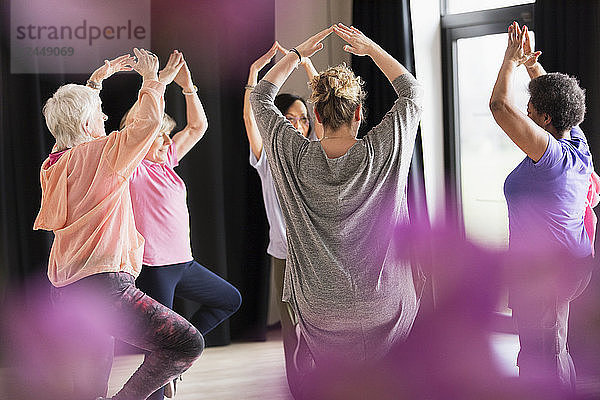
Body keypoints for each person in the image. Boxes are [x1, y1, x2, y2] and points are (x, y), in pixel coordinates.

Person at [249, 23, 424, 394]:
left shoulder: (291, 155)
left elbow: (261, 98)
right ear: (359, 112)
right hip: (387, 304)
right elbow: (412, 92)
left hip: (319, 309)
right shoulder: (383, 149)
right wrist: (371, 47)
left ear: (315, 115)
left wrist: (297, 55)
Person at [34, 48, 204, 400]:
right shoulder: (105, 155)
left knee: (90, 383)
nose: (106, 117)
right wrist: (152, 81)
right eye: (99, 113)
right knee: (186, 344)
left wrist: (95, 84)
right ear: (86, 124)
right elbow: (147, 125)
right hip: (105, 288)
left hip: (64, 290)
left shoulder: (51, 166)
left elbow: (73, 127)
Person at [120, 52, 242, 400]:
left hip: (184, 263)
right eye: (160, 137)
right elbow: (139, 130)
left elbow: (198, 127)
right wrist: (156, 85)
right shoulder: (134, 168)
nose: (166, 143)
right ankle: (164, 369)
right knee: (160, 342)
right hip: (155, 267)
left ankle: (176, 360)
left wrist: (188, 88)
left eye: (166, 138)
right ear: (147, 138)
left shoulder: (167, 162)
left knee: (227, 299)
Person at [490, 22, 594, 391]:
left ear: (546, 119)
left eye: (531, 108)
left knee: (543, 356)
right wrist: (533, 67)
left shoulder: (550, 158)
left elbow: (499, 106)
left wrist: (509, 60)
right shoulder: (576, 143)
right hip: (563, 265)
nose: (526, 112)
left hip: (548, 273)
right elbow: (558, 100)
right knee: (544, 349)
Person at [242, 41, 322, 387]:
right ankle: (297, 386)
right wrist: (253, 75)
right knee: (292, 327)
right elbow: (250, 115)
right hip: (282, 253)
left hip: (316, 253)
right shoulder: (267, 157)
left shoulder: (315, 153)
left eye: (302, 119)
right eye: (289, 118)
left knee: (320, 322)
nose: (297, 124)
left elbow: (324, 112)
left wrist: (305, 64)